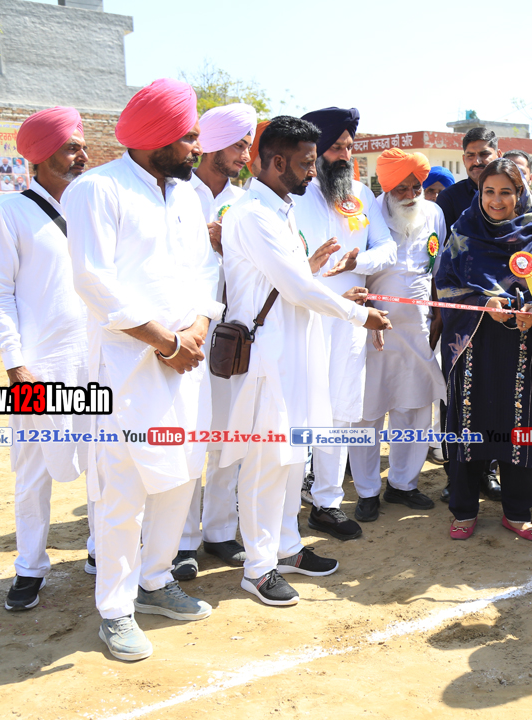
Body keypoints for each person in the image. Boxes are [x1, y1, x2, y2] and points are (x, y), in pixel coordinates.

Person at [64, 78, 222, 661]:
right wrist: (163, 341)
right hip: (126, 366)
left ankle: (155, 580)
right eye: (189, 137)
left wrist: (194, 332)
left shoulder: (188, 195)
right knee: (122, 490)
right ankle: (115, 609)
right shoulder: (96, 189)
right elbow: (93, 280)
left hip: (187, 362)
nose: (196, 149)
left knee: (181, 473)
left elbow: (206, 272)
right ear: (157, 137)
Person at [220, 115, 391, 605]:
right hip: (267, 357)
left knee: (295, 457)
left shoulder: (282, 210)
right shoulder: (253, 214)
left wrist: (318, 274)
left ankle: (287, 547)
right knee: (266, 463)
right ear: (277, 162)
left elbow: (290, 280)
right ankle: (258, 569)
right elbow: (294, 288)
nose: (313, 172)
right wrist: (358, 314)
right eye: (306, 163)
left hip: (298, 351)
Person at [0, 106, 94, 611]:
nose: (82, 156)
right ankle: (29, 567)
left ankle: (100, 549)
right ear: (43, 155)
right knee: (33, 471)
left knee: (101, 461)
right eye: (72, 148)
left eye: (81, 147)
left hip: (95, 361)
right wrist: (14, 363)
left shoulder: (92, 207)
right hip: (38, 367)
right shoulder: (9, 210)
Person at [436, 158, 532, 541]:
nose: (496, 200)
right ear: (479, 193)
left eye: (506, 192)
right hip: (473, 348)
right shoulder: (462, 233)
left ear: (520, 194)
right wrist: (481, 303)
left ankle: (517, 512)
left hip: (523, 347)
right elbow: (445, 287)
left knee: (520, 426)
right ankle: (464, 510)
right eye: (489, 191)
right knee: (469, 425)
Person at [293, 107, 396, 541]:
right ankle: (285, 505)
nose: (344, 155)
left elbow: (387, 249)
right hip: (303, 317)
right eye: (336, 147)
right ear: (315, 150)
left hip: (350, 321)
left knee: (340, 412)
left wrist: (359, 262)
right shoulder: (294, 194)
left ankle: (327, 504)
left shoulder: (360, 193)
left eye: (349, 147)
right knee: (300, 410)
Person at [171, 102, 257, 581]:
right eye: (239, 145)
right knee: (188, 436)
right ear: (213, 145)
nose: (245, 155)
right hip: (183, 334)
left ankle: (221, 531)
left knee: (228, 434)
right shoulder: (176, 192)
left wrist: (231, 245)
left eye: (248, 145)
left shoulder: (246, 201)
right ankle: (182, 540)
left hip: (234, 336)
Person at [349, 149, 445, 521]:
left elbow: (437, 268)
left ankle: (403, 484)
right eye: (401, 188)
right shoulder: (367, 213)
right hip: (373, 331)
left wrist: (438, 314)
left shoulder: (434, 213)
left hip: (418, 329)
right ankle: (367, 491)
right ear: (386, 188)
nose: (410, 194)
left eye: (415, 186)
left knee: (415, 407)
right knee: (368, 413)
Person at [434, 127, 504, 502]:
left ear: (497, 155)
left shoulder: (512, 193)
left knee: (493, 393)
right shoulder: (450, 199)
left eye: (484, 154)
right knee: (456, 395)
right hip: (461, 314)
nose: (478, 161)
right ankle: (455, 473)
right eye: (471, 155)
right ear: (463, 159)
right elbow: (442, 258)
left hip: (501, 317)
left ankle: (489, 471)